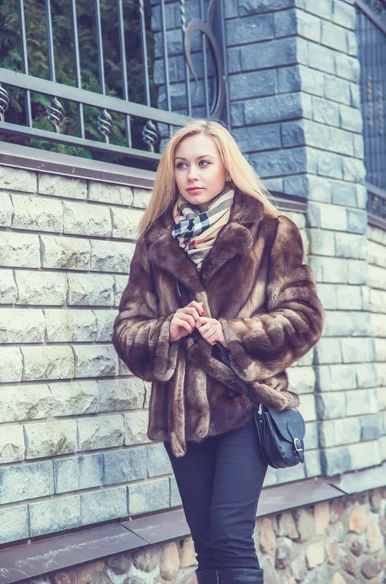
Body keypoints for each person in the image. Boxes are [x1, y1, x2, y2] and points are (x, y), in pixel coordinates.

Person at [112, 120, 323, 584]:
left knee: (230, 536)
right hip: (181, 416)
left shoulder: (271, 231)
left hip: (245, 404)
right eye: (182, 165)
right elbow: (126, 331)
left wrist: (229, 332)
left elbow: (305, 319)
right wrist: (167, 328)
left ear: (227, 167)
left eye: (204, 163)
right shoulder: (155, 243)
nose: (192, 174)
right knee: (206, 545)